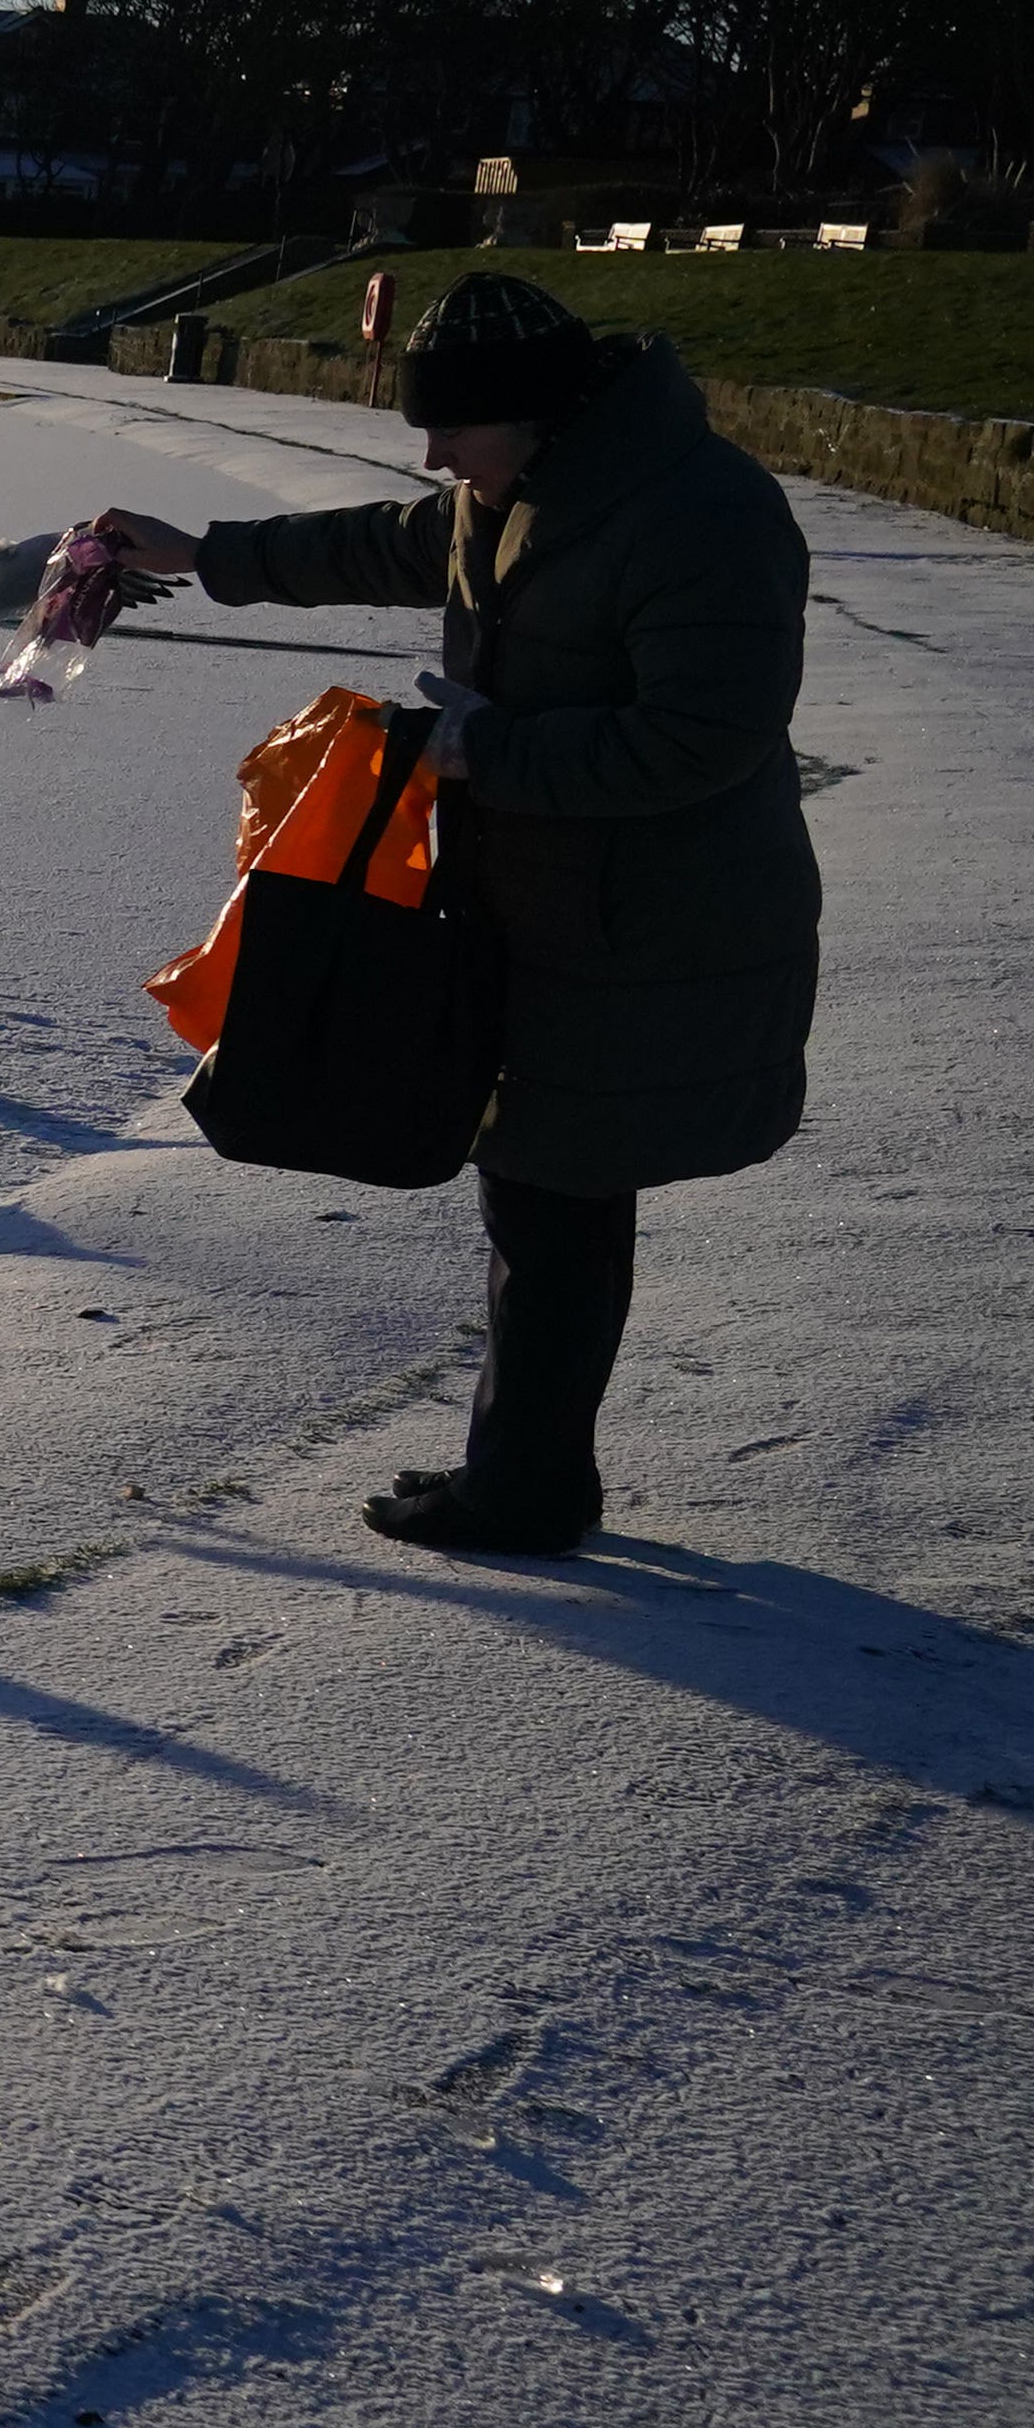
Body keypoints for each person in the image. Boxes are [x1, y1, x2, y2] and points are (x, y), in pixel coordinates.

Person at [93, 272, 817, 1555]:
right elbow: (388, 539)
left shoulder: (702, 515)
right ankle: (531, 1472)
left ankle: (527, 1491)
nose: (433, 457)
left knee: (552, 1201)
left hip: (647, 931)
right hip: (544, 914)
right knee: (545, 1200)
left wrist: (491, 756)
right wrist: (204, 553)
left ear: (535, 413)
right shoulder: (525, 489)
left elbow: (706, 738)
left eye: (452, 431)